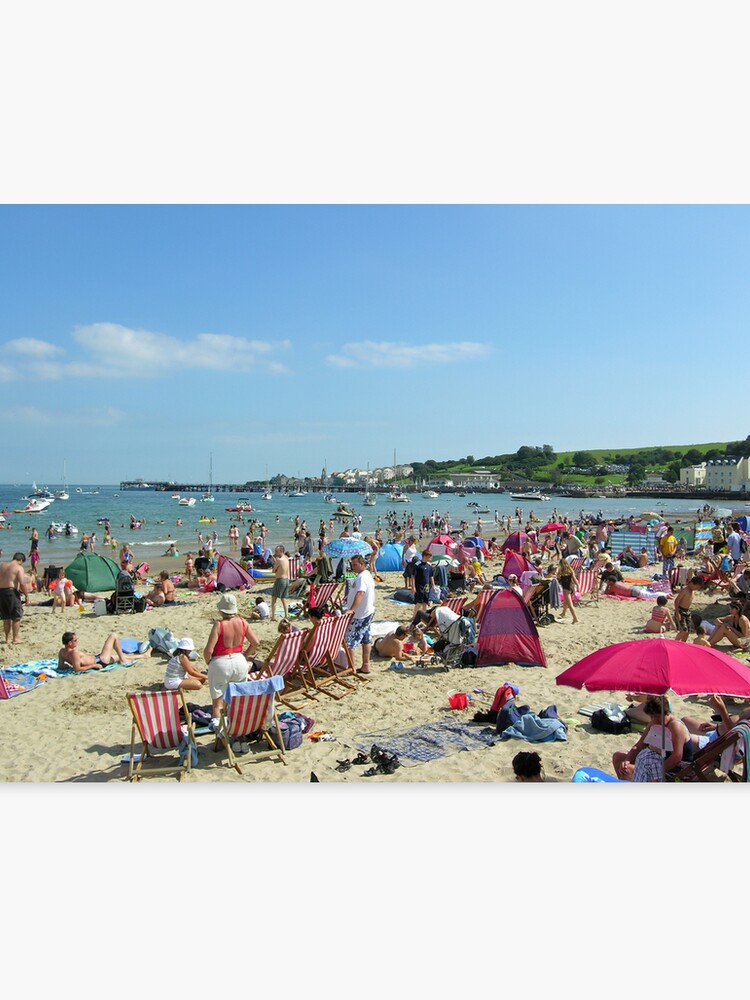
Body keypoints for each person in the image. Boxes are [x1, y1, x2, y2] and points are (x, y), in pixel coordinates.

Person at [203, 593, 260, 728]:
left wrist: (209, 662)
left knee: (218, 703)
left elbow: (208, 651)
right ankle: (237, 729)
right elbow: (255, 642)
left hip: (220, 662)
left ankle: (220, 732)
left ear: (221, 610)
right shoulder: (242, 622)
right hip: (239, 660)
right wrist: (245, 656)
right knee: (238, 699)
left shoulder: (219, 625)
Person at [612, 696, 696, 781]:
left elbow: (676, 757)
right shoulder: (654, 723)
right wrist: (627, 760)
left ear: (666, 712)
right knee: (619, 758)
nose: (655, 720)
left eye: (657, 717)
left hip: (677, 770)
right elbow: (639, 745)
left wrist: (656, 772)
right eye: (652, 717)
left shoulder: (675, 726)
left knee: (628, 771)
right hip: (658, 764)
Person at [57, 631, 152, 672]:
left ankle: (144, 656)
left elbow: (60, 666)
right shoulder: (74, 653)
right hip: (99, 661)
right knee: (113, 636)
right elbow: (77, 669)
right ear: (69, 643)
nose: (77, 641)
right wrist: (93, 665)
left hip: (98, 658)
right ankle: (124, 659)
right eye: (75, 640)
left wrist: (66, 665)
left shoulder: (62, 652)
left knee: (119, 656)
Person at [343, 553, 375, 674]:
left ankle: (351, 668)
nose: (353, 567)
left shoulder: (362, 577)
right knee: (366, 638)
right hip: (367, 611)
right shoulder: (366, 575)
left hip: (360, 614)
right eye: (352, 564)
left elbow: (361, 593)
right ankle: (366, 665)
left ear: (362, 564)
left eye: (355, 564)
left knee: (350, 640)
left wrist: (352, 609)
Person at [0, 552, 29, 644]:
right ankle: (15, 638)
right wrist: (27, 595)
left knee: (6, 616)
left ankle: (7, 639)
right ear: (20, 560)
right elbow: (22, 583)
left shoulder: (2, 565)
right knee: (16, 616)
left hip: (1, 591)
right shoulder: (18, 567)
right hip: (11, 592)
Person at [674, 576, 704, 641]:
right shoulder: (685, 590)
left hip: (687, 611)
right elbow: (677, 601)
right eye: (697, 587)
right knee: (683, 630)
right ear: (693, 584)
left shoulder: (692, 591)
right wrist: (677, 613)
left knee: (687, 632)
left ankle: (683, 645)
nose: (697, 589)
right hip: (680, 610)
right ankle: (675, 643)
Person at [270, 545, 290, 621]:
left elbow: (274, 570)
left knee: (274, 598)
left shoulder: (279, 560)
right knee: (283, 598)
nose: (276, 552)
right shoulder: (286, 558)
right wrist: (275, 562)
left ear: (281, 551)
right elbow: (281, 567)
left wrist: (274, 562)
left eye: (277, 551)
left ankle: (273, 617)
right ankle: (286, 615)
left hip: (280, 580)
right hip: (286, 580)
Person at [557, 558, 579, 623]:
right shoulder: (570, 570)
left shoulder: (561, 571)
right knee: (565, 602)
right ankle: (563, 613)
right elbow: (575, 580)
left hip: (566, 589)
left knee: (570, 605)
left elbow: (557, 577)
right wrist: (578, 586)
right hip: (571, 588)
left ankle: (575, 618)